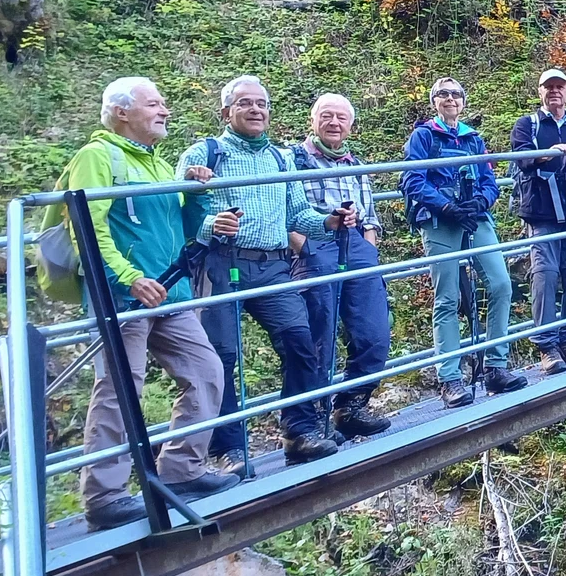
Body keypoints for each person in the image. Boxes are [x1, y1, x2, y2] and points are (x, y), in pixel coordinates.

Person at [68, 78, 239, 529]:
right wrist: (128, 277)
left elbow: (185, 229)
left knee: (206, 372)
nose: (165, 109)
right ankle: (104, 496)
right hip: (124, 295)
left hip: (172, 291)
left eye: (164, 102)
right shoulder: (97, 157)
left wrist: (199, 195)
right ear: (122, 112)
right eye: (154, 103)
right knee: (120, 387)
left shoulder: (160, 164)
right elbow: (86, 227)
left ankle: (181, 469)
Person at [180, 75, 357, 466]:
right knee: (221, 356)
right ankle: (227, 448)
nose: (256, 110)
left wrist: (330, 220)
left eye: (261, 103)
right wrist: (211, 225)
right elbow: (180, 210)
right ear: (226, 111)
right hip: (221, 263)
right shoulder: (204, 154)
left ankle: (300, 430)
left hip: (274, 264)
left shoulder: (280, 158)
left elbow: (298, 213)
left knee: (300, 341)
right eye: (245, 103)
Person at [400, 77, 529, 407]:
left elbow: (489, 180)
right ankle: (450, 379)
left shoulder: (473, 139)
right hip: (440, 219)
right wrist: (445, 206)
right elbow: (412, 179)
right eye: (442, 94)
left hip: (473, 216)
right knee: (447, 297)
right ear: (434, 101)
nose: (450, 99)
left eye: (456, 94)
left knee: (501, 284)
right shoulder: (423, 136)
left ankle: (495, 367)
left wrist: (479, 203)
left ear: (463, 101)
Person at [290, 93, 392, 440]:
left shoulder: (354, 162)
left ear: (350, 125)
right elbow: (282, 210)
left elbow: (370, 215)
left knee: (374, 332)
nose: (334, 123)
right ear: (313, 120)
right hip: (315, 247)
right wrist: (304, 249)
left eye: (341, 118)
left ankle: (351, 405)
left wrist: (369, 246)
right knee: (319, 337)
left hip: (356, 246)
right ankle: (313, 421)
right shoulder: (293, 159)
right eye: (327, 116)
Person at [509, 68, 566, 374]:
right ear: (539, 92)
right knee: (545, 276)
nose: (554, 92)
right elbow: (521, 159)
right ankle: (547, 347)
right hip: (542, 211)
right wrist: (548, 155)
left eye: (559, 86)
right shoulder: (527, 125)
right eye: (548, 87)